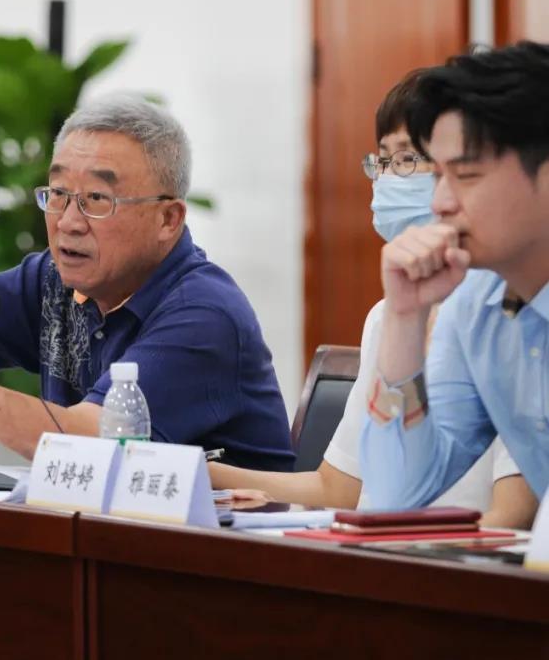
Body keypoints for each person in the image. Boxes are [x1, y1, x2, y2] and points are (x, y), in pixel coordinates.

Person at [0, 63, 293, 468]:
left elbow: (95, 443)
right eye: (59, 193)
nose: (68, 222)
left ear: (168, 219)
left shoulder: (204, 314)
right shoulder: (54, 282)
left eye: (97, 199)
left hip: (226, 545)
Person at [210, 71, 537, 527]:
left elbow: (510, 520)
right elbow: (370, 491)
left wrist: (384, 545)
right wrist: (197, 473)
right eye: (383, 161)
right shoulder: (399, 315)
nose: (444, 199)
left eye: (409, 160)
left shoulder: (508, 318)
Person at [361, 41, 549, 510]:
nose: (440, 203)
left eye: (465, 176)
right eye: (437, 176)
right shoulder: (475, 304)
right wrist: (406, 316)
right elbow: (396, 493)